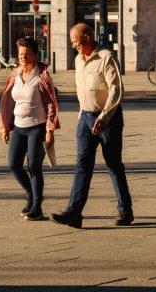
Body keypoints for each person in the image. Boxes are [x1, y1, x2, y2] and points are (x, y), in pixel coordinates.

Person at [51, 24, 134, 228]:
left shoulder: (106, 57)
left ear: (87, 37)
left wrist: (104, 116)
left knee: (114, 164)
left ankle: (125, 212)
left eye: (75, 41)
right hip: (86, 118)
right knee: (82, 165)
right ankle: (74, 213)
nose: (73, 46)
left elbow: (116, 90)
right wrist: (83, 115)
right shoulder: (79, 60)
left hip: (109, 119)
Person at [0, 36, 59, 220]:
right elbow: (7, 101)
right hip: (18, 127)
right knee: (14, 165)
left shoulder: (42, 76)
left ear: (35, 55)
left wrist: (50, 130)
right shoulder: (15, 74)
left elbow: (51, 104)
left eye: (27, 54)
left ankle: (37, 206)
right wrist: (4, 126)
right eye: (21, 54)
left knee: (34, 166)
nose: (23, 57)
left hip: (37, 127)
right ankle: (30, 194)